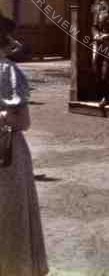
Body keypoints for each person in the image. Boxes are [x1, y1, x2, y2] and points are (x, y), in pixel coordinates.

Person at [0, 16, 48, 276]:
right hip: (6, 151)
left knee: (6, 216)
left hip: (4, 152)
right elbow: (22, 120)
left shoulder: (6, 70)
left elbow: (21, 120)